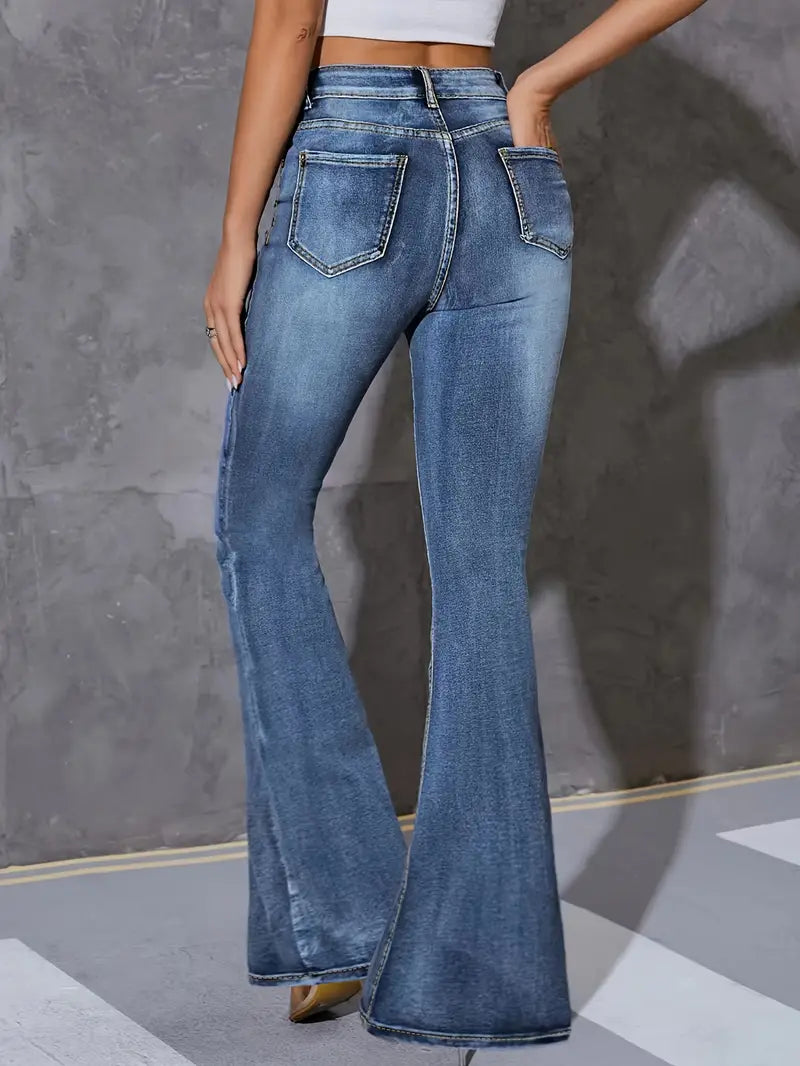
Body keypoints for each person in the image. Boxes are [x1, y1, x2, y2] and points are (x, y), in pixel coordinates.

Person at [204, 0, 708, 1057]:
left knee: (260, 521)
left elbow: (291, 20)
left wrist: (238, 229)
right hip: (502, 164)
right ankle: (475, 983)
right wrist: (538, 85)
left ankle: (344, 920)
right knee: (481, 573)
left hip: (352, 155)